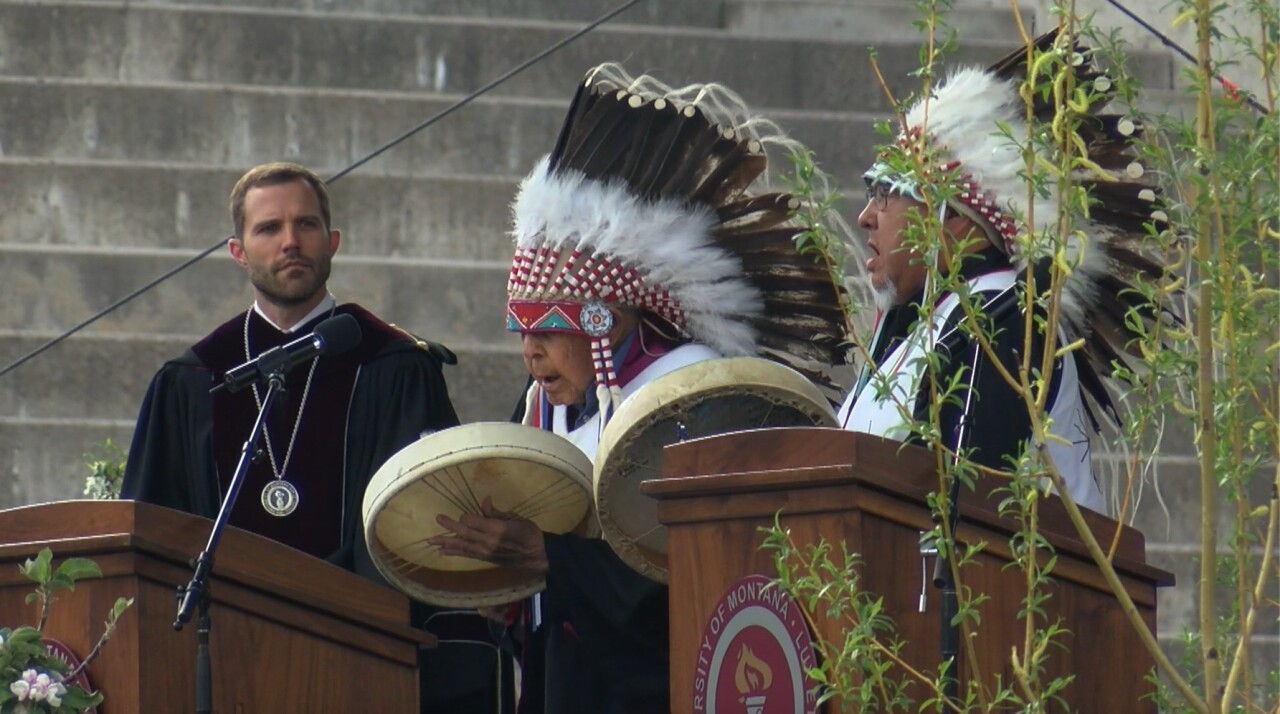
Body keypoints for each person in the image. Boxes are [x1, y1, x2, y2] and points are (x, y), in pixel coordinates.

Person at [426, 65, 853, 713]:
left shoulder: (697, 400)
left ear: (609, 318)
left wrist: (550, 558)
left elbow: (701, 569)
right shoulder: (546, 397)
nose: (528, 350)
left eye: (548, 328)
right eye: (519, 328)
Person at [120, 161, 509, 713]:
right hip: (226, 660)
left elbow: (420, 524)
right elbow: (158, 528)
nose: (289, 242)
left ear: (332, 241)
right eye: (268, 228)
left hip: (362, 659)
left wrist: (344, 616)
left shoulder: (394, 366)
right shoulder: (197, 380)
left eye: (304, 225)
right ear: (238, 251)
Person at [836, 35, 1173, 513]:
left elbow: (958, 517)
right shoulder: (923, 329)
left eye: (886, 193)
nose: (866, 216)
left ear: (951, 217)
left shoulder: (1000, 324)